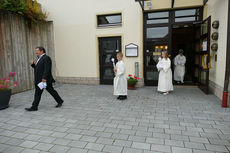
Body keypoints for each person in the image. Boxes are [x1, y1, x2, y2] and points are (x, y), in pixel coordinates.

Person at [25, 47, 64, 111]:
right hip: (40, 80)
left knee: (48, 92)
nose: (36, 52)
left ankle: (34, 107)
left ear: (42, 51)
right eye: (36, 51)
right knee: (43, 92)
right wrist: (33, 65)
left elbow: (47, 69)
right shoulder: (39, 58)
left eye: (37, 51)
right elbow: (38, 69)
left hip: (44, 80)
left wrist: (44, 78)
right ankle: (59, 101)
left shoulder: (46, 58)